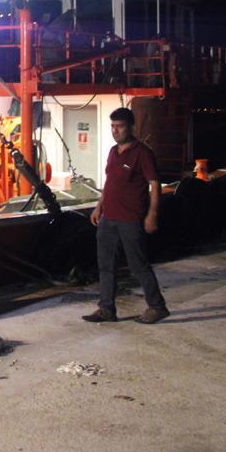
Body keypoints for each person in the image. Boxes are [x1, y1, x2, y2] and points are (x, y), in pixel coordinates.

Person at [82, 107, 170, 324]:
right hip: (108, 219)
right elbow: (110, 182)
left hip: (130, 219)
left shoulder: (142, 153)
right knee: (105, 266)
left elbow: (154, 185)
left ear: (131, 127)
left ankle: (157, 307)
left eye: (120, 126)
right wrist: (98, 206)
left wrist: (152, 215)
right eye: (112, 126)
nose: (115, 131)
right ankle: (106, 309)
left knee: (138, 265)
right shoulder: (113, 152)